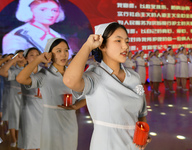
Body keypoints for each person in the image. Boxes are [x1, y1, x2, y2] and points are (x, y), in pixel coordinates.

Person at [63, 22, 151, 150]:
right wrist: (88, 45)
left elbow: (141, 114)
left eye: (127, 41)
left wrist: (143, 135)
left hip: (133, 145)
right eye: (118, 41)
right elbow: (70, 80)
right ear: (102, 45)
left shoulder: (134, 77)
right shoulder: (94, 76)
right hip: (107, 144)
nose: (125, 46)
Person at [16, 38, 86, 150]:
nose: (63, 54)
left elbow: (87, 96)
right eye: (58, 51)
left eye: (66, 50)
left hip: (70, 122)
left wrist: (76, 106)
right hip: (50, 123)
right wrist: (38, 59)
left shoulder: (74, 74)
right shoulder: (44, 74)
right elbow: (20, 78)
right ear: (49, 54)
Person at [2, 0, 72, 57]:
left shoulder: (58, 36)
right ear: (29, 11)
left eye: (54, 10)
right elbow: (14, 66)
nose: (51, 15)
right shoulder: (16, 36)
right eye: (43, 10)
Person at [15, 47, 43, 150]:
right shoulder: (23, 72)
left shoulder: (44, 71)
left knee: (41, 138)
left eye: (37, 55)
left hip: (42, 108)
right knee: (29, 137)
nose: (35, 57)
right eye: (32, 55)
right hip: (29, 108)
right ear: (26, 58)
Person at [0, 50, 26, 147]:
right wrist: (9, 60)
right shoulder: (12, 69)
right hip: (12, 95)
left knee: (22, 121)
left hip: (26, 98)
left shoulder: (30, 69)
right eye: (19, 56)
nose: (21, 58)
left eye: (23, 56)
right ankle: (14, 139)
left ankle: (20, 139)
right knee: (13, 118)